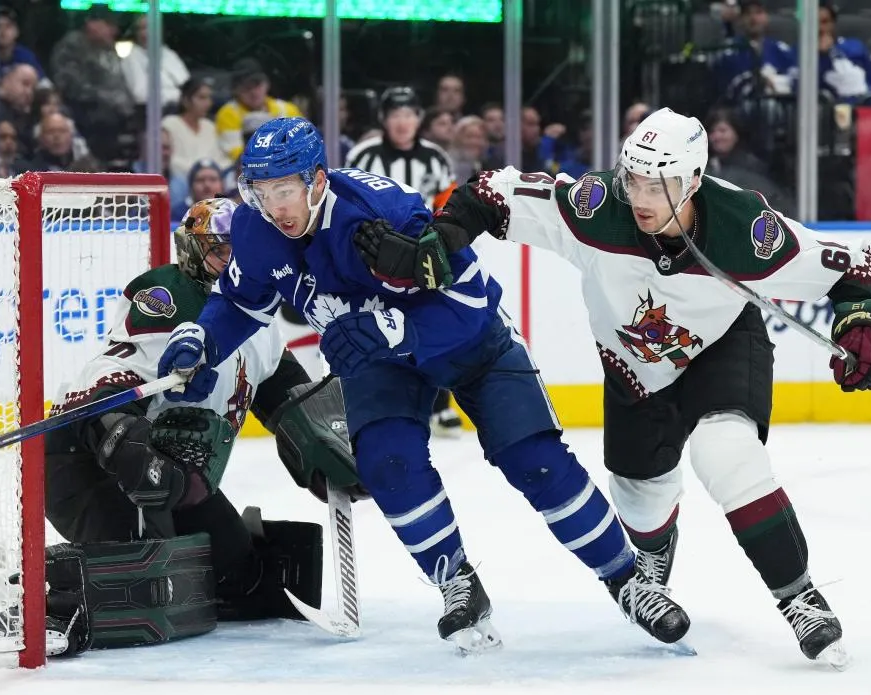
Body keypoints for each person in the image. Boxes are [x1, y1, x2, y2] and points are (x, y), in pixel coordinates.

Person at [354, 107, 871, 667]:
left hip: (723, 348)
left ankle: (799, 596)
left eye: (656, 184)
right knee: (639, 495)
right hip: (633, 367)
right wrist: (440, 242)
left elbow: (851, 266)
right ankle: (655, 555)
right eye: (632, 177)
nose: (638, 195)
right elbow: (493, 193)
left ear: (691, 181)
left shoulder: (747, 230)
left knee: (726, 454)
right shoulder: (596, 208)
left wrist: (862, 319)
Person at [155, 116, 691, 654]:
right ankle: (457, 583)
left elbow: (472, 300)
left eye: (286, 190)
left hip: (470, 345)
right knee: (388, 467)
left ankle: (629, 579)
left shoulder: (385, 210)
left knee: (536, 460)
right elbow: (242, 302)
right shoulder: (255, 229)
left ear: (317, 180)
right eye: (262, 191)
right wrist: (202, 338)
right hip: (380, 363)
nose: (276, 207)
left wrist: (397, 325)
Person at [36, 198, 367, 655]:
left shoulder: (259, 317)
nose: (235, 261)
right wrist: (122, 437)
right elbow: (104, 377)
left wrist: (329, 444)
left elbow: (289, 397)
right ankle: (47, 600)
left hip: (175, 476)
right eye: (221, 250)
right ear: (192, 251)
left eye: (244, 250)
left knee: (239, 576)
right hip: (85, 463)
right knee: (142, 588)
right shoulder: (169, 298)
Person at [344, 87, 460, 436]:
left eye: (409, 114)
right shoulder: (364, 155)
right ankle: (374, 401)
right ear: (383, 118)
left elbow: (449, 204)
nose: (403, 122)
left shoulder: (435, 157)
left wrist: (443, 243)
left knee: (430, 325)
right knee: (373, 323)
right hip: (372, 254)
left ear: (419, 119)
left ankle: (438, 406)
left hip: (421, 255)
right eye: (396, 114)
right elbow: (346, 199)